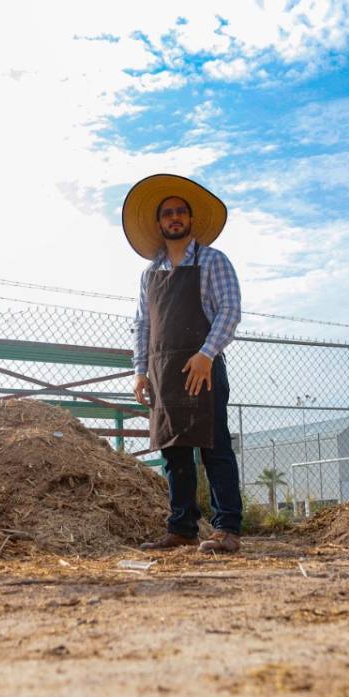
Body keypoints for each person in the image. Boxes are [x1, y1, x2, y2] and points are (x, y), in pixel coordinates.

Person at [123, 174, 243, 554]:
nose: (174, 218)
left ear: (191, 220)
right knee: (173, 450)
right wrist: (140, 370)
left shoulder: (213, 261)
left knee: (214, 447)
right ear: (159, 224)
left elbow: (229, 311)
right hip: (162, 371)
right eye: (167, 214)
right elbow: (142, 323)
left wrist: (207, 354)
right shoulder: (149, 274)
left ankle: (227, 529)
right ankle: (182, 528)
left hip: (202, 366)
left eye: (180, 212)